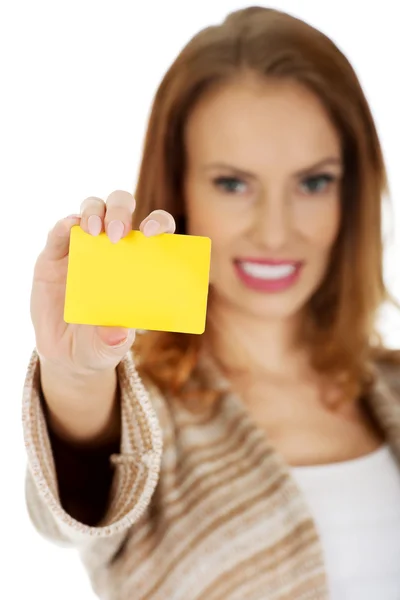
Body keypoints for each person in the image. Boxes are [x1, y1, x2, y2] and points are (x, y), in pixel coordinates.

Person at [23, 5, 400, 600]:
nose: (275, 232)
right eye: (233, 183)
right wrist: (75, 379)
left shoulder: (391, 384)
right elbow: (72, 508)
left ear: (351, 193)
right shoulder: (144, 408)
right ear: (182, 190)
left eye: (313, 182)